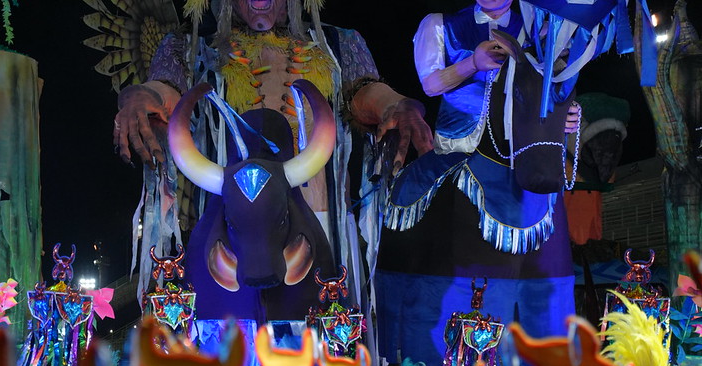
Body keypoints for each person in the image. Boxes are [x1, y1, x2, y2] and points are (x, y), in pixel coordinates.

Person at [113, 0, 434, 308]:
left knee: (323, 344)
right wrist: (143, 95)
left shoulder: (339, 43)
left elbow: (364, 92)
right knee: (230, 343)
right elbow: (167, 91)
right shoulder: (190, 47)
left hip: (321, 226)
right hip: (230, 232)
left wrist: (394, 104)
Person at [413, 0, 580, 155]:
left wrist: (560, 112)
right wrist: (472, 63)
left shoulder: (540, 33)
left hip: (516, 146)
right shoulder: (439, 24)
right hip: (458, 145)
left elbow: (551, 87)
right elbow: (430, 86)